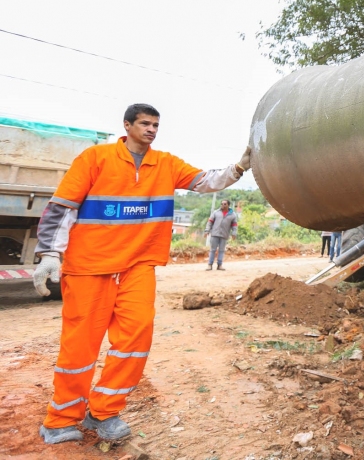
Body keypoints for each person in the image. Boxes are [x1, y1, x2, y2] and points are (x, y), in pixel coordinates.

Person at [31, 103, 251, 445]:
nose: (151, 130)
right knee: (80, 346)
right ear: (127, 125)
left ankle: (103, 411)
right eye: (145, 123)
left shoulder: (165, 164)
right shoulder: (95, 159)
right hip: (90, 267)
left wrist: (240, 167)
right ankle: (60, 419)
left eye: (155, 125)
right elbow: (63, 207)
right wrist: (49, 253)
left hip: (137, 266)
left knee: (135, 339)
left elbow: (206, 181)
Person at [204, 199, 237, 270]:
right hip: (215, 234)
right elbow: (210, 222)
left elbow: (234, 225)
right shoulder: (216, 212)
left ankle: (219, 265)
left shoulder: (233, 214)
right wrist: (207, 230)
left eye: (225, 204)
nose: (223, 205)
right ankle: (210, 265)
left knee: (221, 250)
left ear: (228, 205)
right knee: (213, 250)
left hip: (224, 235)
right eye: (222, 204)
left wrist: (234, 233)